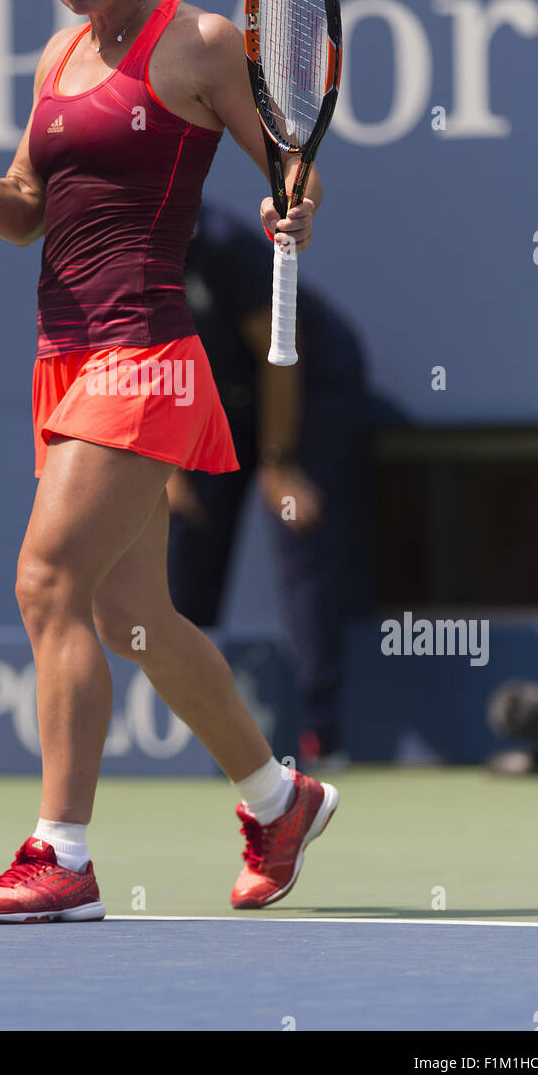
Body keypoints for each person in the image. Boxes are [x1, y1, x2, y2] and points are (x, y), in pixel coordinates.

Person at [0, 0, 338, 923]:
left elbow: (286, 162)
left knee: (45, 579)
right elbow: (28, 210)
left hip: (143, 352)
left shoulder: (195, 41)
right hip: (62, 359)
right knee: (134, 615)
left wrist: (293, 206)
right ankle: (275, 798)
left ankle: (61, 855)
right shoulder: (58, 55)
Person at [166, 201, 371, 768]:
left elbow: (279, 350)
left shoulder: (226, 244)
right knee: (187, 524)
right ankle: (190, 730)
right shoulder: (124, 253)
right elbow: (154, 364)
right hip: (221, 397)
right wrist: (172, 468)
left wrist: (278, 464)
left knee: (293, 519)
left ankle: (320, 735)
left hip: (306, 379)